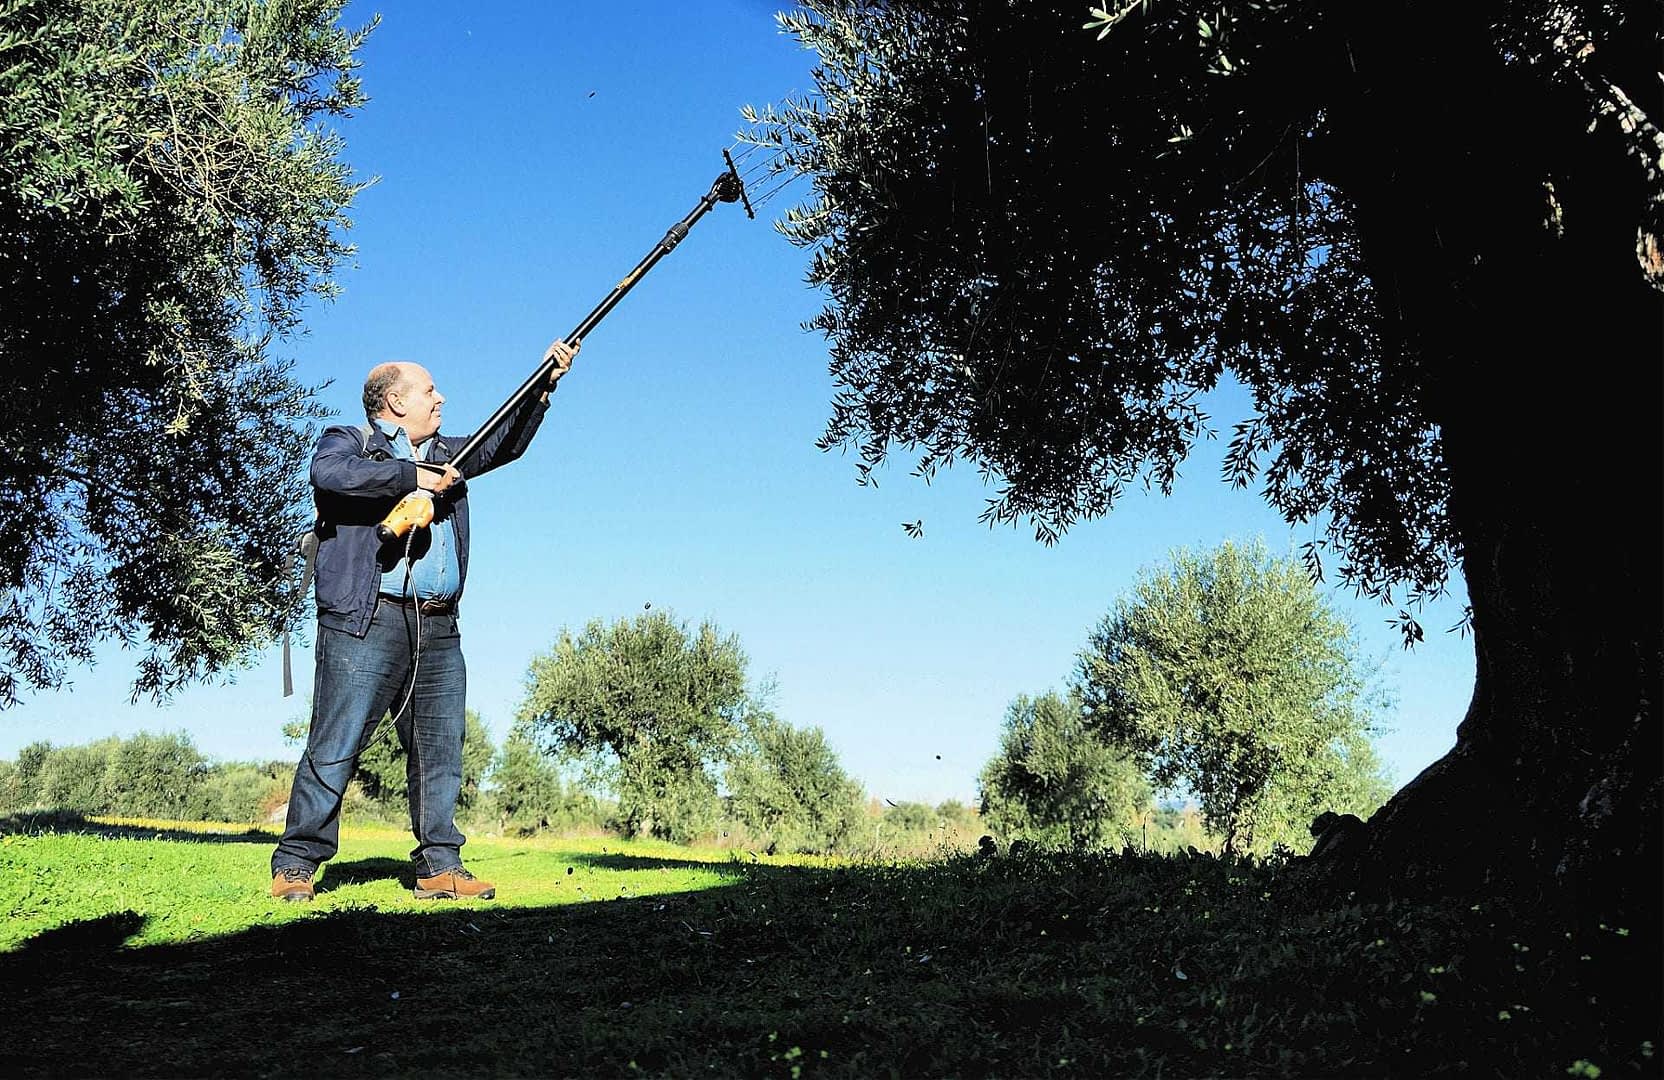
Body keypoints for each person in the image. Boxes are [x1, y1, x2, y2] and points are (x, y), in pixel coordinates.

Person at [270, 339, 579, 902]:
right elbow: (330, 476)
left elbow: (503, 444)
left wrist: (544, 385)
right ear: (395, 401)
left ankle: (440, 866)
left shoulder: (447, 454)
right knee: (336, 741)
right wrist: (413, 478)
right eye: (430, 390)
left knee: (440, 748)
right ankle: (296, 864)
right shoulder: (351, 442)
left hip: (438, 627)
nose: (441, 398)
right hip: (365, 620)